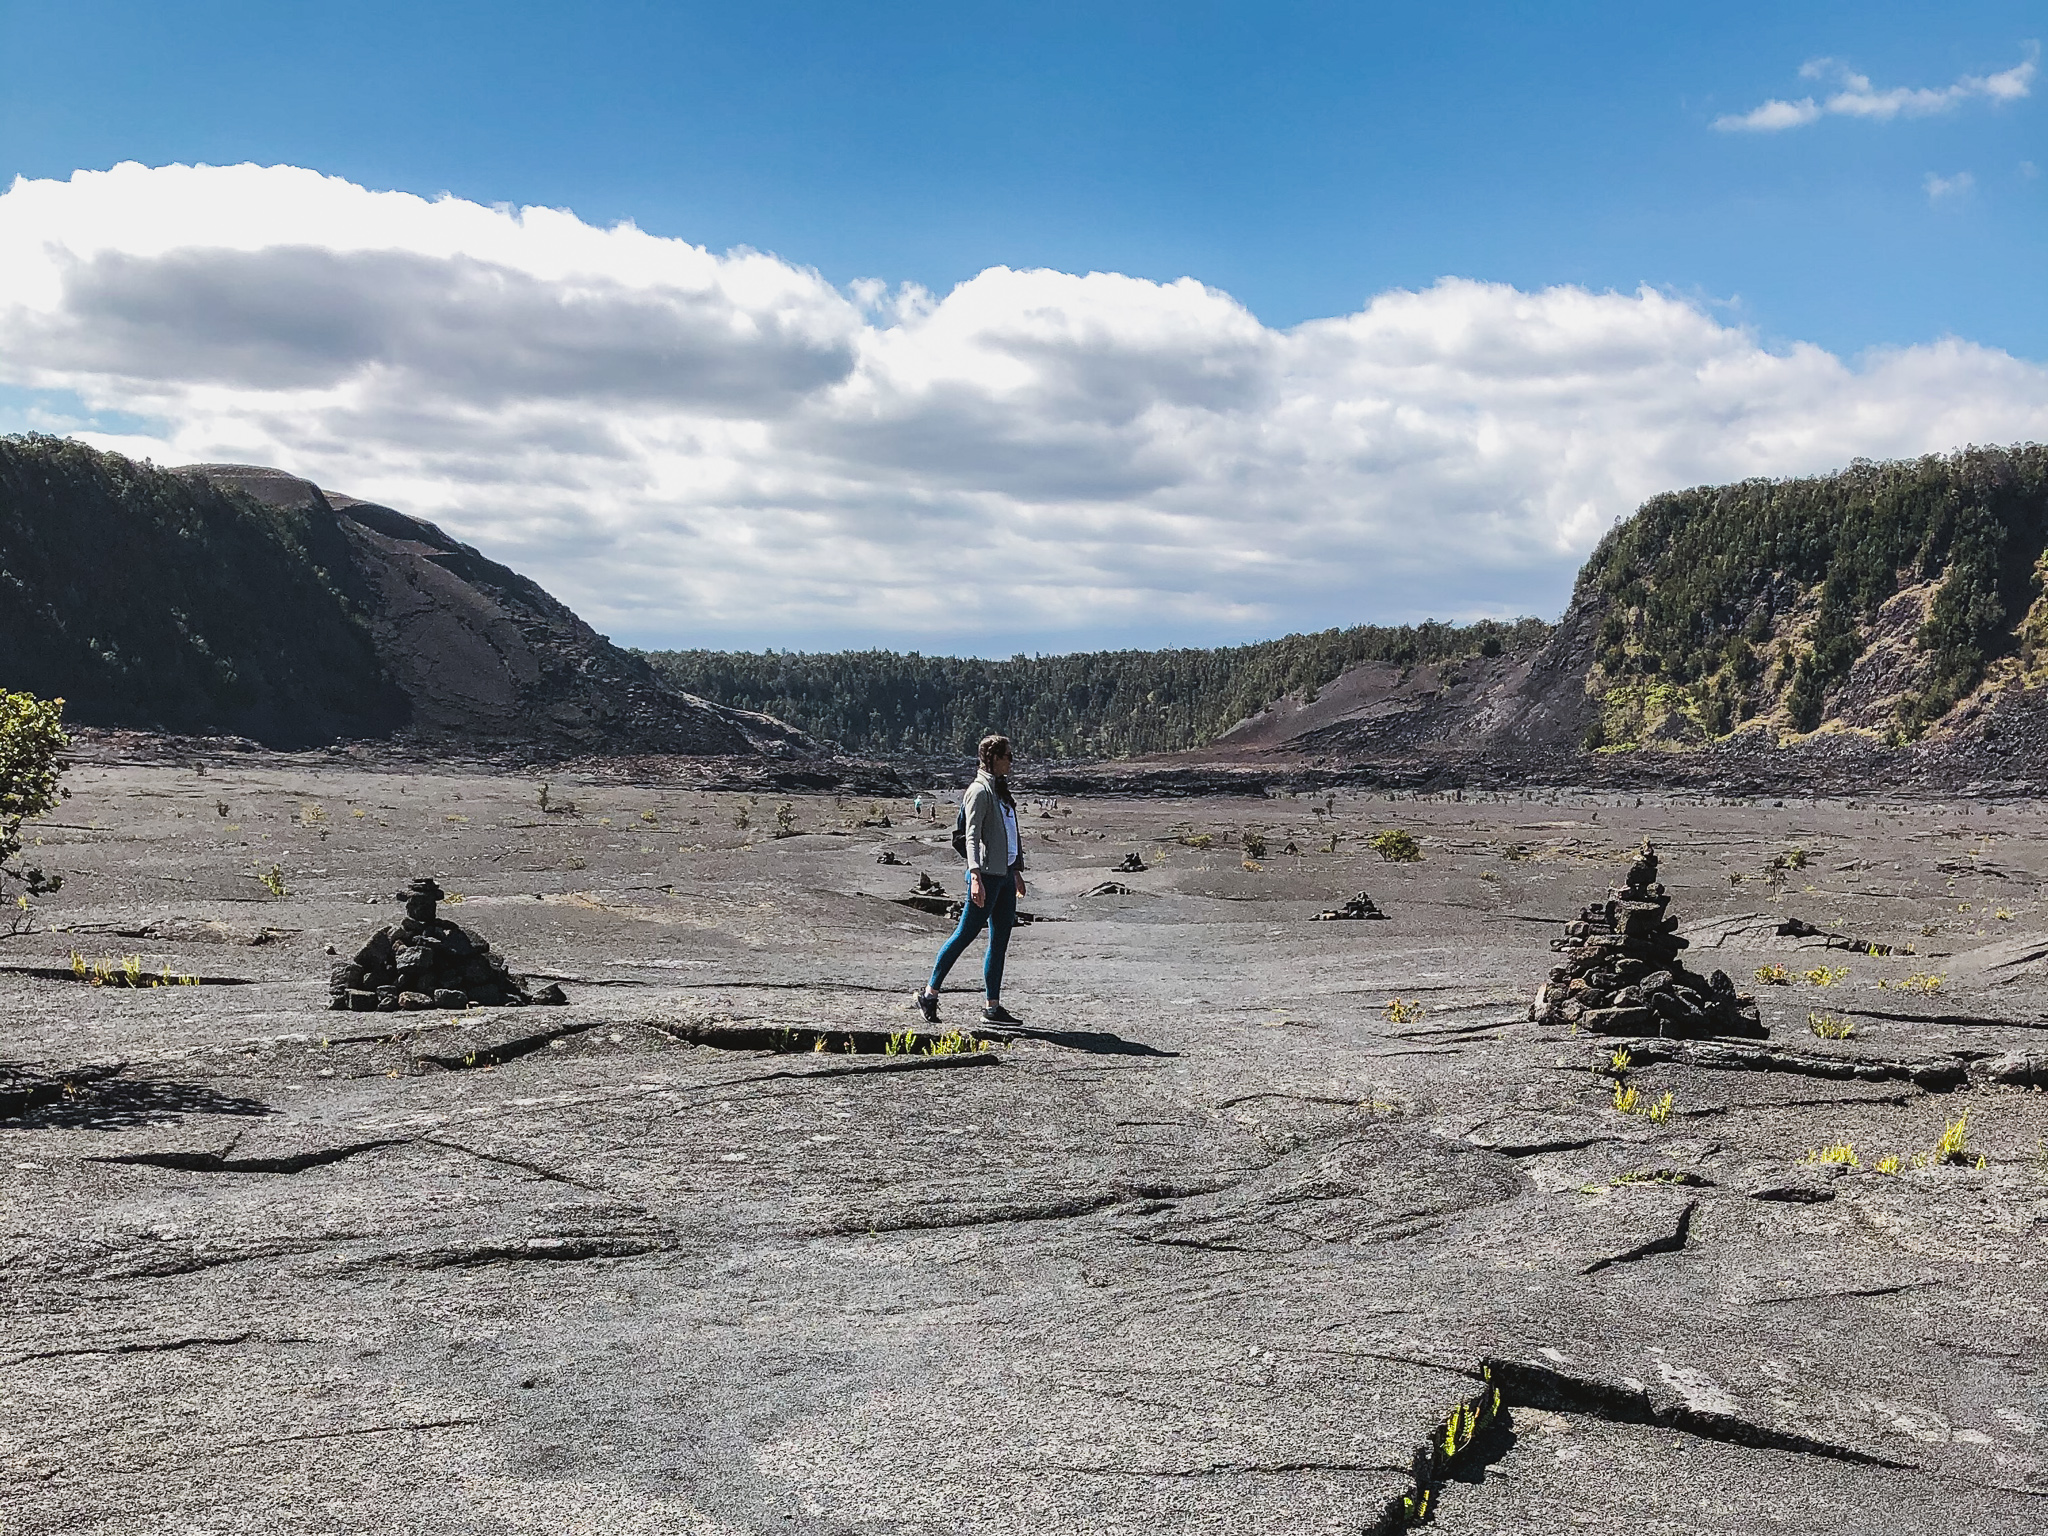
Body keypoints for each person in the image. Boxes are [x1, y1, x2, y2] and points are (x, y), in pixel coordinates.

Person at [916, 734, 1025, 1026]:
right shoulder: (979, 791)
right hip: (986, 877)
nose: (1011, 761)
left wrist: (1016, 871)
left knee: (1000, 940)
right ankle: (929, 993)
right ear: (993, 758)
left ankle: (992, 1007)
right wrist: (975, 874)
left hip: (1003, 877)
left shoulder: (1000, 791)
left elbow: (1011, 834)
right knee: (965, 934)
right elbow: (972, 836)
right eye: (1007, 756)